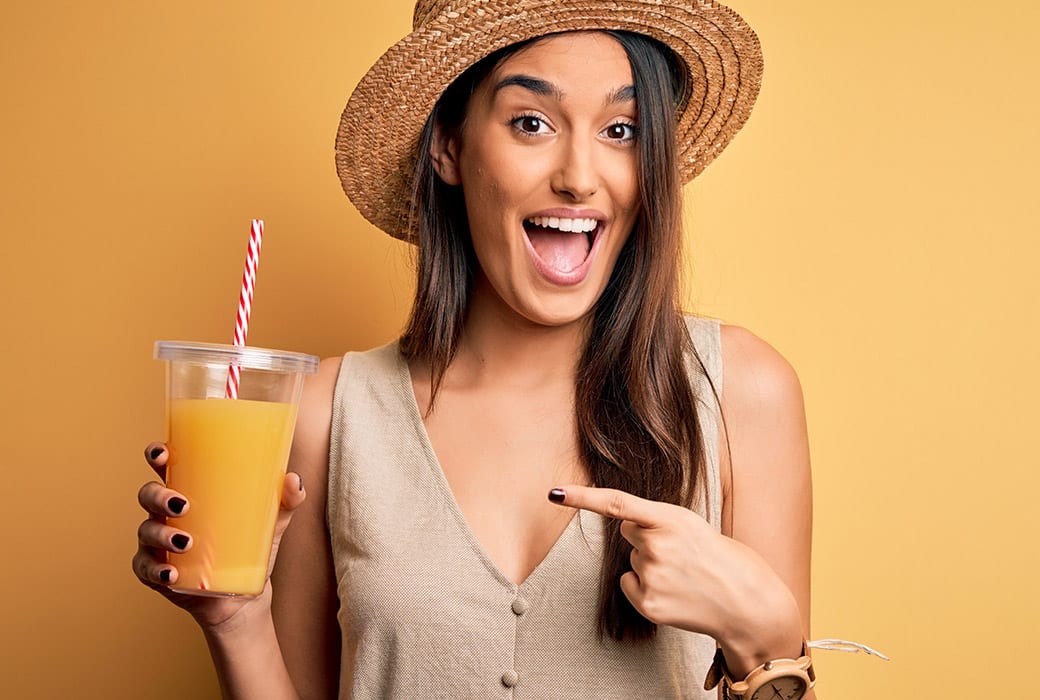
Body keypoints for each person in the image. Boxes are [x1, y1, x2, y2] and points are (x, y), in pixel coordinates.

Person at [134, 1, 816, 698]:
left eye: (621, 130)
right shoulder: (328, 414)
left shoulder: (741, 392)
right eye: (531, 123)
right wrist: (234, 621)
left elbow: (776, 667)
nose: (580, 175)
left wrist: (767, 643)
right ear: (449, 148)